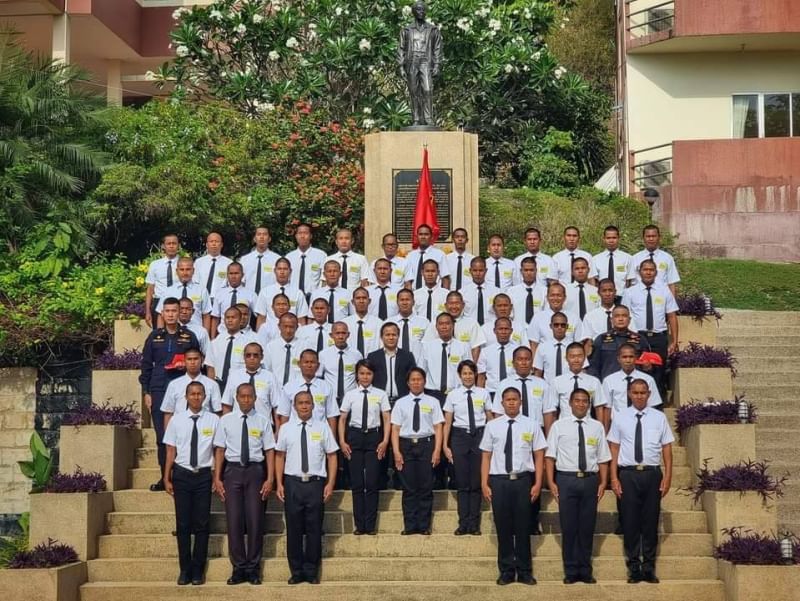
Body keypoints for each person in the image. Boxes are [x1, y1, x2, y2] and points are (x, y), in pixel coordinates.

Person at [608, 379, 674, 584]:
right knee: (630, 522)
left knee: (650, 522)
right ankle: (634, 566)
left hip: (651, 474)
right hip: (628, 474)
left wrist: (668, 476)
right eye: (635, 392)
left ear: (649, 394)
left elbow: (667, 448)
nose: (639, 396)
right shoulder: (620, 417)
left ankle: (649, 567)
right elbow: (614, 448)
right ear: (629, 394)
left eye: (642, 393)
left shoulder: (659, 417)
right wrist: (613, 477)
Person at [480, 386, 546, 586]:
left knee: (524, 526)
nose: (511, 402)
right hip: (499, 481)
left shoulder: (531, 425)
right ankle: (506, 571)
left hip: (523, 480)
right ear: (502, 403)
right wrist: (484, 483)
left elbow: (539, 455)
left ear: (521, 402)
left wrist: (538, 483)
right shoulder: (492, 426)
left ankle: (525, 571)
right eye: (507, 399)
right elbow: (486, 456)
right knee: (503, 527)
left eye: (514, 399)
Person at [545, 388, 611, 585]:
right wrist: (551, 482)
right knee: (569, 526)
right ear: (570, 403)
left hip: (590, 480)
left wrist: (603, 482)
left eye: (585, 401)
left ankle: (585, 569)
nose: (581, 404)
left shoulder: (597, 427)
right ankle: (571, 570)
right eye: (577, 400)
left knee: (587, 526)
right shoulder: (559, 426)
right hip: (566, 480)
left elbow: (603, 457)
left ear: (589, 404)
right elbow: (550, 457)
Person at [212, 382, 275, 585]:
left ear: (255, 398)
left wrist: (270, 478)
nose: (246, 400)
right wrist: (217, 477)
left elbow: (269, 451)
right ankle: (238, 567)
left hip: (255, 472)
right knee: (234, 520)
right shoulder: (226, 420)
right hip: (232, 472)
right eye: (242, 396)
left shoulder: (263, 421)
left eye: (250, 396)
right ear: (236, 398)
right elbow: (220, 450)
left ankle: (253, 568)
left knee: (255, 520)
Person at [275, 389, 339, 585]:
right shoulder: (285, 428)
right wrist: (279, 483)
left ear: (313, 405)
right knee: (293, 529)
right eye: (300, 403)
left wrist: (330, 483)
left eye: (307, 402)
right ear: (294, 406)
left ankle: (311, 571)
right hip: (293, 483)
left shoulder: (323, 427)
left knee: (314, 529)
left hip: (315, 483)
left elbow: (332, 456)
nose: (304, 406)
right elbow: (279, 456)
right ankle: (296, 571)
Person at [163, 380, 219, 585]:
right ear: (186, 397)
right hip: (182, 474)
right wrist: (166, 476)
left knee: (202, 524)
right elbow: (171, 451)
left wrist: (216, 476)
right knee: (183, 524)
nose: (196, 397)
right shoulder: (176, 420)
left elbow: (217, 450)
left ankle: (198, 570)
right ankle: (184, 569)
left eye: (199, 393)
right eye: (192, 394)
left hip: (203, 475)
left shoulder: (214, 420)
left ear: (205, 396)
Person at [140, 297, 199, 491]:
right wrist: (146, 392)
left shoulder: (189, 336)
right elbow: (146, 366)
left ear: (180, 312)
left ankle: (181, 476)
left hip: (183, 391)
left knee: (182, 434)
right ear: (162, 314)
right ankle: (164, 477)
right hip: (158, 389)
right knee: (162, 436)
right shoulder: (154, 337)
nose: (171, 314)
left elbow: (197, 362)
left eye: (174, 311)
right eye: (167, 311)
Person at [338, 360, 392, 534]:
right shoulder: (350, 395)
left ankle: (370, 525)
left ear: (373, 375)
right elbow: (342, 419)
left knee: (372, 481)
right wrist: (342, 441)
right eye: (362, 373)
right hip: (354, 437)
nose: (365, 377)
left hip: (373, 437)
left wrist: (385, 441)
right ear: (357, 375)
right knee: (357, 483)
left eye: (368, 373)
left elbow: (386, 418)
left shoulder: (380, 394)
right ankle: (359, 525)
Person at [390, 367, 444, 534]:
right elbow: (395, 429)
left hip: (426, 445)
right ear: (408, 382)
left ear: (424, 381)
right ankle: (410, 525)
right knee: (409, 488)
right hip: (406, 446)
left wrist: (437, 450)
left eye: (419, 379)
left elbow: (438, 427)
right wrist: (396, 452)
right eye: (413, 379)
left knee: (425, 487)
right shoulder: (400, 403)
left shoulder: (433, 402)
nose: (416, 382)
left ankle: (424, 526)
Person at [443, 360, 491, 535]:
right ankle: (463, 523)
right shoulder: (453, 395)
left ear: (476, 374)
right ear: (459, 375)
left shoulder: (483, 393)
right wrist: (445, 445)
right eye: (464, 373)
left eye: (471, 373)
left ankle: (474, 524)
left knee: (476, 482)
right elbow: (448, 422)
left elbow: (490, 418)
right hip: (460, 437)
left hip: (479, 436)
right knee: (462, 483)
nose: (468, 376)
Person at [621, 259, 678, 394]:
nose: (648, 272)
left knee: (659, 373)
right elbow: (624, 316)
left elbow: (671, 316)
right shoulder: (630, 292)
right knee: (637, 372)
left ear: (656, 273)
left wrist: (674, 341)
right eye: (645, 270)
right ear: (639, 272)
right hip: (637, 337)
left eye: (651, 270)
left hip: (659, 338)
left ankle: (658, 404)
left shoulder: (664, 291)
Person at [398, 1, 443, 126]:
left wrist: (437, 64)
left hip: (425, 62)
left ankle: (428, 118)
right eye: (418, 9)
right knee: (414, 91)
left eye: (423, 9)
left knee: (427, 89)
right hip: (412, 62)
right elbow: (401, 49)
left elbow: (437, 49)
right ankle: (416, 119)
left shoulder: (433, 30)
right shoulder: (406, 30)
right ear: (413, 12)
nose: (421, 12)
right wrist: (401, 66)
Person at [278, 349, 340, 435]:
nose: (309, 365)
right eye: (306, 362)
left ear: (318, 365)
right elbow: (284, 415)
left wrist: (332, 438)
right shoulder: (289, 387)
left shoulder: (326, 387)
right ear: (299, 364)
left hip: (319, 433)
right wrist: (283, 436)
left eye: (312, 362)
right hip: (295, 433)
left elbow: (331, 415)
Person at [548, 342, 607, 428]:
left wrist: (600, 429)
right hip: (564, 427)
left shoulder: (594, 381)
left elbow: (599, 408)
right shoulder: (557, 381)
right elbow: (552, 411)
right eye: (572, 356)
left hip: (588, 426)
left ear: (585, 357)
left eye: (579, 356)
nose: (576, 360)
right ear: (566, 358)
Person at [221, 342, 280, 426]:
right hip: (238, 424)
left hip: (263, 425)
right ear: (244, 357)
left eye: (255, 355)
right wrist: (226, 425)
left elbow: (276, 406)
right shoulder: (234, 376)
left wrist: (278, 430)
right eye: (248, 355)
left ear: (262, 357)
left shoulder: (270, 377)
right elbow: (227, 404)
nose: (252, 358)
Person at [418, 312, 472, 404]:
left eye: (447, 323)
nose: (444, 327)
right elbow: (421, 371)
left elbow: (469, 372)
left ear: (453, 325)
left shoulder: (463, 347)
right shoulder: (427, 347)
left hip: (456, 393)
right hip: (432, 393)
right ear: (436, 327)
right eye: (441, 324)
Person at [587, 305, 650, 381]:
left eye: (624, 316)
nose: (620, 319)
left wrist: (648, 367)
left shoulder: (640, 339)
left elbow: (648, 366)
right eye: (617, 316)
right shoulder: (601, 339)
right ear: (611, 320)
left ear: (629, 319)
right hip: (609, 383)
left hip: (635, 384)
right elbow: (593, 367)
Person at [601, 344, 663, 421]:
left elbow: (653, 405)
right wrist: (606, 428)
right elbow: (607, 408)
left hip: (642, 421)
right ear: (618, 359)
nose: (628, 360)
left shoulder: (648, 379)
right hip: (618, 422)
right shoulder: (609, 381)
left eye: (631, 357)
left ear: (636, 358)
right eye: (624, 357)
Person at [162, 347, 222, 426]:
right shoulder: (174, 385)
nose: (193, 362)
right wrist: (168, 433)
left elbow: (218, 411)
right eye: (189, 359)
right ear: (184, 361)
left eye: (196, 359)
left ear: (202, 360)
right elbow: (168, 412)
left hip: (205, 427)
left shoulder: (212, 385)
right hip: (180, 427)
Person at [205, 306, 257, 392]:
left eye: (233, 317)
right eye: (227, 318)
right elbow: (211, 367)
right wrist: (212, 389)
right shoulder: (216, 342)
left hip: (240, 385)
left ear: (240, 320)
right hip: (218, 385)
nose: (230, 320)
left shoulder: (248, 342)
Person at [527, 282, 583, 358]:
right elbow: (534, 344)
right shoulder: (538, 318)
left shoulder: (574, 318)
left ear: (565, 297)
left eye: (559, 295)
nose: (555, 298)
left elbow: (579, 343)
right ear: (547, 297)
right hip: (544, 361)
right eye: (552, 295)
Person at [157, 257, 211, 331]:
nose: (185, 273)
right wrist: (160, 334)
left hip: (196, 333)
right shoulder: (168, 291)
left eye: (188, 269)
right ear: (177, 271)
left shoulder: (202, 290)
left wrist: (205, 334)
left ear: (193, 271)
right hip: (173, 333)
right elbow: (161, 315)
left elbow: (206, 316)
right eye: (182, 269)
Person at [254, 257, 308, 330]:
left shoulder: (298, 293)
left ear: (290, 271)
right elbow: (261, 318)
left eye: (285, 269)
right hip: (270, 333)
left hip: (291, 333)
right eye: (279, 269)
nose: (282, 272)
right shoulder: (265, 292)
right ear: (275, 271)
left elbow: (301, 320)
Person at [368, 322, 416, 403]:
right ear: (381, 337)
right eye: (387, 335)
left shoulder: (408, 356)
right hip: (379, 401)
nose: (391, 337)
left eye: (394, 335)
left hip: (402, 401)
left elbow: (413, 378)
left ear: (398, 336)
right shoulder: (373, 357)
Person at [476, 317, 520, 401]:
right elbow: (481, 377)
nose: (503, 332)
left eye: (506, 329)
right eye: (500, 329)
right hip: (492, 393)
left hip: (513, 393)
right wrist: (479, 397)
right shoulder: (485, 352)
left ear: (511, 331)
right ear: (494, 331)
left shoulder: (518, 351)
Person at [629, 224, 680, 297]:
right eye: (648, 236)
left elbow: (671, 283)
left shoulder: (667, 258)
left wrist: (672, 302)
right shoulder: (635, 258)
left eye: (654, 236)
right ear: (643, 238)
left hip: (661, 298)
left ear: (659, 237)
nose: (651, 239)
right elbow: (632, 283)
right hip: (640, 298)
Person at [319, 322, 362, 406]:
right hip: (330, 399)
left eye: (343, 333)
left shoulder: (356, 354)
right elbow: (319, 377)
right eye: (337, 333)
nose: (340, 336)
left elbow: (360, 378)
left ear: (348, 335)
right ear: (331, 335)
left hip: (351, 399)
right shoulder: (323, 354)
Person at [263, 313, 309, 386]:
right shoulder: (270, 347)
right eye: (285, 326)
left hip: (297, 388)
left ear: (297, 327)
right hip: (275, 388)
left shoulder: (305, 346)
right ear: (279, 326)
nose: (288, 330)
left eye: (291, 327)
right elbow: (266, 370)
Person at [210, 262, 255, 337]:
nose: (233, 276)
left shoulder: (251, 294)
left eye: (236, 273)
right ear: (227, 275)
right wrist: (212, 338)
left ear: (242, 275)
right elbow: (215, 318)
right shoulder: (219, 294)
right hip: (223, 334)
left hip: (244, 335)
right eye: (231, 273)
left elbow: (259, 316)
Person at [144, 233, 180, 329]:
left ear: (178, 246)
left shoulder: (184, 265)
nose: (171, 246)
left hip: (178, 301)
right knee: (159, 333)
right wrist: (147, 311)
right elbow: (150, 289)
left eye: (174, 243)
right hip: (159, 302)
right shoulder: (155, 265)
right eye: (169, 243)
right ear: (163, 246)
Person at [581, 278, 625, 352]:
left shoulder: (624, 314)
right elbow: (586, 341)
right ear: (598, 293)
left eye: (610, 290)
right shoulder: (590, 316)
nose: (607, 294)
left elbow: (632, 334)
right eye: (604, 291)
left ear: (615, 292)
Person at [286, 223, 327, 298]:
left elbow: (324, 280)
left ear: (311, 236)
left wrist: (321, 296)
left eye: (305, 233)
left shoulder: (321, 255)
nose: (302, 236)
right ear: (296, 236)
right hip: (293, 298)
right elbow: (286, 280)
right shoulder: (289, 257)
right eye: (300, 233)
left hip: (314, 298)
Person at [405, 224, 451, 290]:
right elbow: (408, 280)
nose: (423, 237)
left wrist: (445, 294)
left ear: (431, 236)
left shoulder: (439, 254)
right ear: (417, 236)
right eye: (420, 234)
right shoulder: (410, 256)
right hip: (414, 293)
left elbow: (445, 278)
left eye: (426, 234)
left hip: (434, 292)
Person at [239, 227, 281, 297]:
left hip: (269, 298)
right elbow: (241, 282)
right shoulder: (245, 259)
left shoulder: (277, 259)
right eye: (259, 234)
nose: (261, 237)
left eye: (265, 234)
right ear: (254, 239)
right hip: (248, 298)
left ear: (269, 239)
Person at [390, 288, 429, 363]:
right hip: (394, 365)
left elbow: (427, 348)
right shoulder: (389, 323)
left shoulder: (424, 323)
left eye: (407, 300)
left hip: (417, 365)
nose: (405, 303)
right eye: (402, 300)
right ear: (397, 302)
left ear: (413, 302)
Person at [193, 232, 232, 307]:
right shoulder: (198, 262)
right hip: (201, 298)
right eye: (211, 241)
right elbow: (195, 281)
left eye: (217, 241)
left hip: (220, 299)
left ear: (221, 245)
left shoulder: (229, 263)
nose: (214, 244)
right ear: (207, 245)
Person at [592, 225, 632, 295]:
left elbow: (629, 281)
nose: (611, 240)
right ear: (604, 239)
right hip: (602, 297)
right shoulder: (595, 259)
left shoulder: (628, 258)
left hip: (622, 297)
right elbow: (594, 282)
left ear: (618, 238)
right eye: (608, 238)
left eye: (614, 238)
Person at [459, 256, 499, 327]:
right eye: (475, 270)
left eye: (481, 270)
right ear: (470, 271)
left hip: (490, 329)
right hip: (470, 329)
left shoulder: (496, 292)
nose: (478, 273)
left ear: (486, 271)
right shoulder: (462, 293)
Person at [342, 287, 383, 357]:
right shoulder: (344, 324)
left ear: (369, 301)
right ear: (352, 302)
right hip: (350, 361)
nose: (361, 301)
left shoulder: (379, 323)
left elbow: (382, 347)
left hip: (372, 362)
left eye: (364, 298)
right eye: (358, 298)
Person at [508, 257, 547, 326]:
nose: (529, 273)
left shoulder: (544, 291)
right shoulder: (511, 292)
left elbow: (546, 314)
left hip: (539, 329)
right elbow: (509, 315)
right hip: (518, 329)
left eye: (531, 270)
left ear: (536, 271)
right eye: (526, 270)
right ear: (521, 271)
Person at [532, 312, 572, 382]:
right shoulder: (542, 347)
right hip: (548, 386)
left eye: (563, 325)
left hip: (569, 386)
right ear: (551, 326)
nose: (559, 327)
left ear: (567, 326)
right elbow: (538, 373)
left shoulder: (574, 347)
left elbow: (582, 370)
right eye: (556, 325)